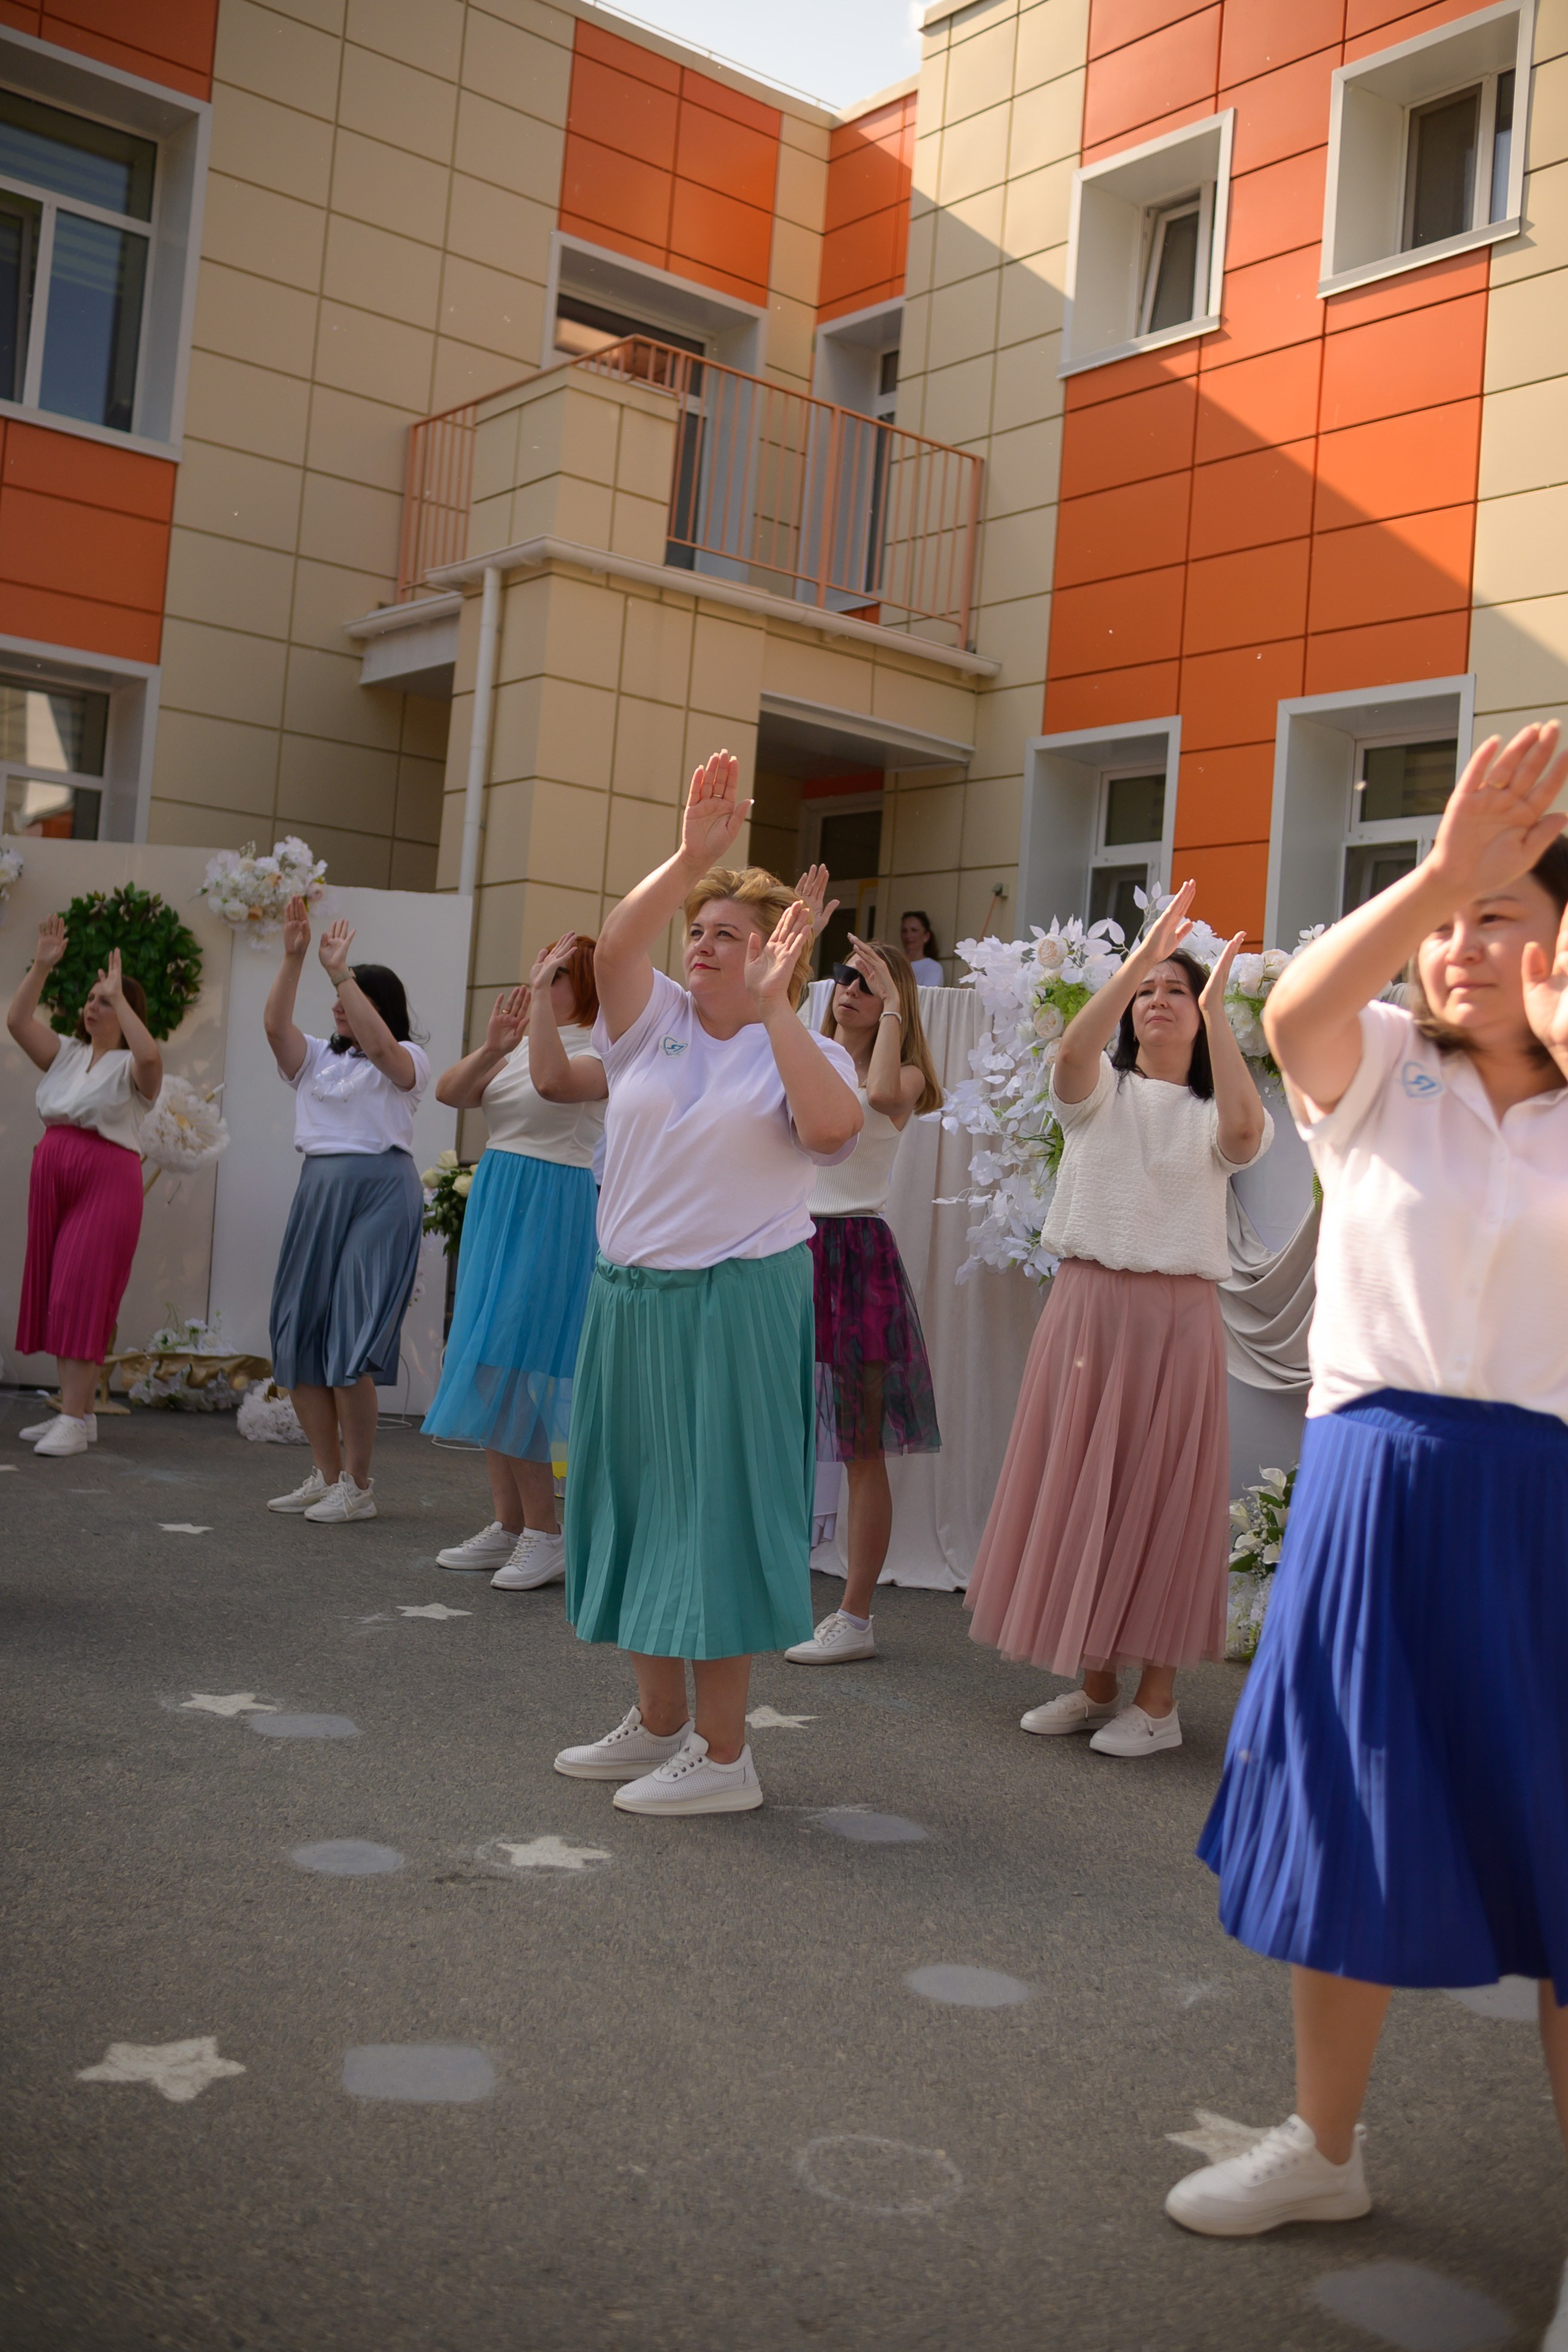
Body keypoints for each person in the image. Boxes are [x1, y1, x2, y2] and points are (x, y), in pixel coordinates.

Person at [1168, 725, 1568, 2324]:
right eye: (1457, 920)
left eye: (1508, 916)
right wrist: (1443, 874)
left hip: (1545, 1510)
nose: (1470, 947)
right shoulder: (1385, 1064)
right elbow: (1287, 1012)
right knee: (1348, 1821)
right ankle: (1323, 2141)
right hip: (1369, 1496)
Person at [551, 749, 861, 1819]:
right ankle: (658, 1720)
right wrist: (690, 854)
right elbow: (620, 941)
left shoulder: (801, 1047)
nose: (705, 945)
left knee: (714, 1519)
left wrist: (779, 1012)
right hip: (630, 1298)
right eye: (702, 931)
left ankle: (727, 1756)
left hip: (734, 1303)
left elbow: (832, 1134)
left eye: (729, 933)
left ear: (777, 952)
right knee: (633, 1510)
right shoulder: (653, 1023)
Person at [965, 883, 1271, 1757]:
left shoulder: (1217, 1114)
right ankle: (1097, 1685)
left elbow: (1247, 1137)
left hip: (1174, 1318)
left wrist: (1219, 1017)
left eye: (1178, 990)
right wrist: (1138, 960)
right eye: (1148, 993)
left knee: (1160, 1499)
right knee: (1084, 1492)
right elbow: (1070, 1051)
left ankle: (1160, 1703)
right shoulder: (1099, 1092)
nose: (1159, 1002)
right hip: (1088, 1308)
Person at [425, 933, 605, 1591]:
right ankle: (509, 1524)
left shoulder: (599, 1046)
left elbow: (557, 1091)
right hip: (500, 1196)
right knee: (481, 1362)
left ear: (579, 983)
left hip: (551, 1200)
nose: (539, 981)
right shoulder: (525, 1038)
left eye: (553, 974)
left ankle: (543, 1532)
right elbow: (450, 1093)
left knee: (503, 1365)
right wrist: (496, 1045)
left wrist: (534, 1015)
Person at [785, 934, 943, 1664]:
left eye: (867, 981)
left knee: (860, 1447)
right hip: (783, 1248)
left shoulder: (905, 1073)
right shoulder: (804, 1058)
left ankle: (854, 1616)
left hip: (853, 1254)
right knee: (767, 1427)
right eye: (844, 976)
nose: (848, 987)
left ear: (894, 1003)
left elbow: (881, 1097)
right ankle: (769, 1586)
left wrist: (891, 1015)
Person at [262, 897, 429, 1525]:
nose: (338, 1003)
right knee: (299, 1332)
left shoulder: (407, 1059)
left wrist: (341, 975)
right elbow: (275, 1027)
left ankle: (357, 1485)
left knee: (349, 1340)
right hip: (320, 1188)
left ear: (377, 1004)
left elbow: (385, 1051)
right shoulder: (316, 1057)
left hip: (381, 1190)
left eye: (354, 994)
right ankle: (326, 1475)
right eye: (338, 993)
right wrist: (296, 957)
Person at [8, 921, 162, 1458]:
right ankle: (83, 1416)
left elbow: (150, 1061)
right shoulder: (68, 1054)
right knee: (58, 1290)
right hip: (55, 1178)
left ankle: (72, 1417)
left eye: (106, 1001)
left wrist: (125, 999)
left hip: (105, 1183)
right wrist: (43, 964)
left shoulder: (131, 1067)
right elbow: (16, 1020)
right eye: (92, 1000)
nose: (93, 1008)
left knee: (81, 1290)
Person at [900, 910, 944, 989]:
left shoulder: (933, 968)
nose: (908, 936)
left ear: (926, 936)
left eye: (914, 930)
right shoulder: (895, 965)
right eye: (904, 931)